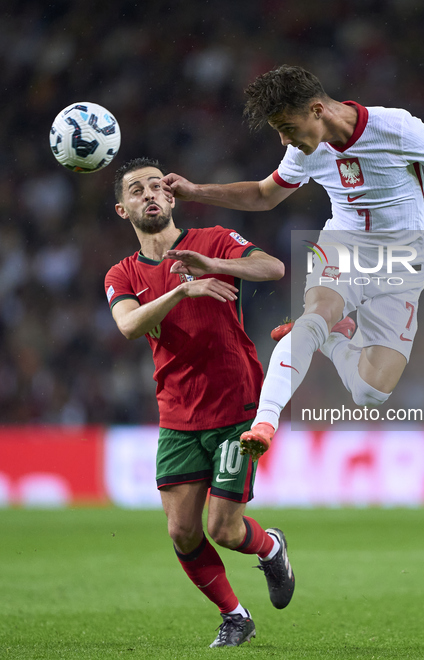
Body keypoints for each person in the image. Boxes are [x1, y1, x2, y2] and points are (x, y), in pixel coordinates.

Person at [160, 65, 424, 461]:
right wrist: (195, 190)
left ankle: (333, 337)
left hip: (401, 260)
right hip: (343, 245)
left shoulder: (395, 127)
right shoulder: (304, 150)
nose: (285, 140)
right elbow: (265, 196)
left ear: (317, 110)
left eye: (288, 128)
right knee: (317, 313)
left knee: (371, 392)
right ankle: (266, 424)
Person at [104, 157, 294, 649]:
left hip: (235, 407)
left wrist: (214, 265)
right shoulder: (123, 273)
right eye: (135, 190)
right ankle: (235, 615)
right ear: (123, 209)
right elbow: (128, 325)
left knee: (224, 530)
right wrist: (184, 290)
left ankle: (270, 547)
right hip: (177, 415)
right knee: (183, 532)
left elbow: (271, 267)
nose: (148, 194)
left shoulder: (212, 239)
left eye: (156, 186)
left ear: (171, 198)